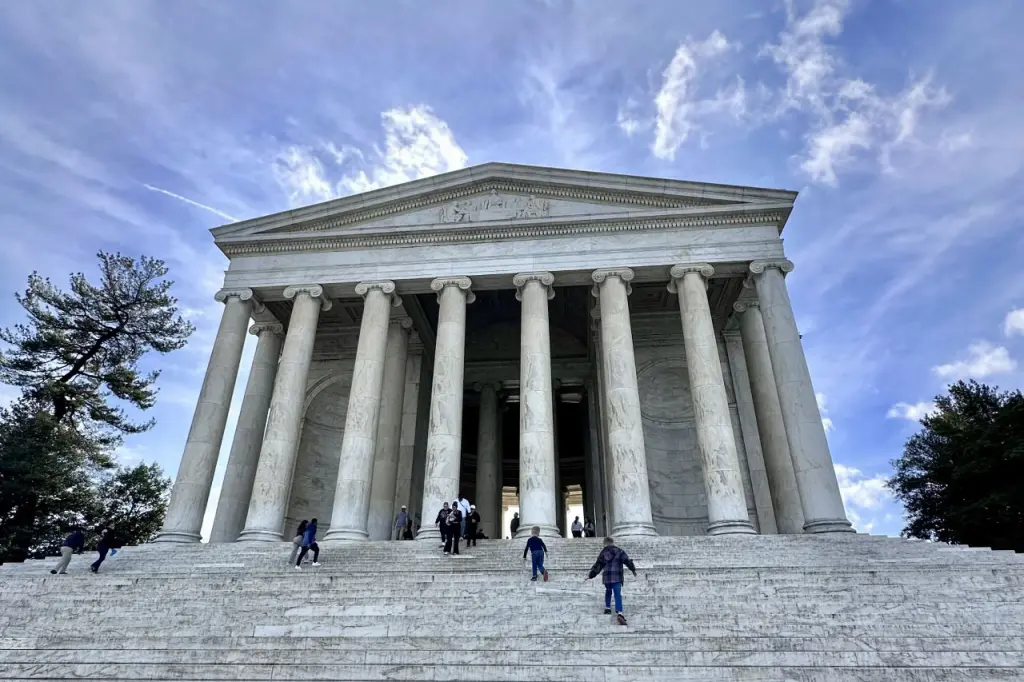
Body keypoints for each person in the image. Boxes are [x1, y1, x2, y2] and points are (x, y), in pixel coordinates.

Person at [586, 536, 637, 626]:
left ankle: (607, 608)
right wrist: (632, 568)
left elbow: (599, 564)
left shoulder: (603, 552)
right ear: (613, 542)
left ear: (605, 543)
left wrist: (592, 573)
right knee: (617, 594)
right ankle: (620, 613)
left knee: (608, 592)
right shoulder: (619, 551)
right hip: (617, 576)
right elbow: (627, 561)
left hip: (607, 577)